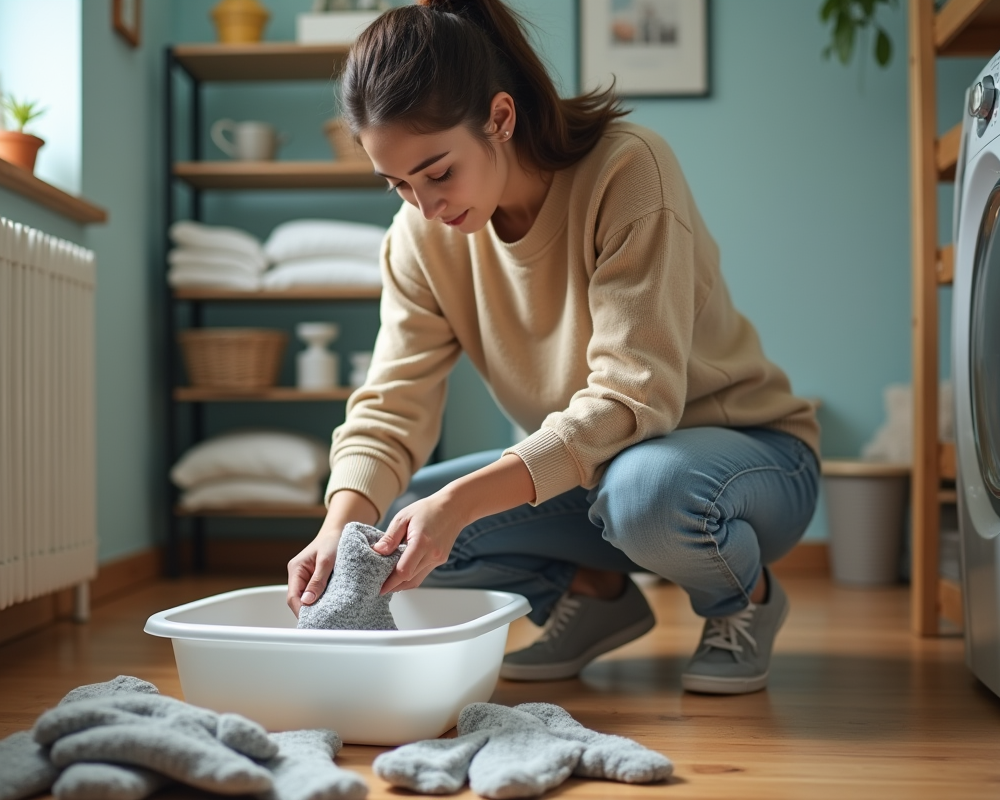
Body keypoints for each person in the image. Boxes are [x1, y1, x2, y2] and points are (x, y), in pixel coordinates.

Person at [286, 0, 820, 695]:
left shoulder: (628, 169)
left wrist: (462, 502)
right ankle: (595, 595)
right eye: (399, 185)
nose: (426, 206)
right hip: (604, 477)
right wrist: (339, 525)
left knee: (645, 489)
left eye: (439, 172)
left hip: (744, 464)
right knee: (393, 526)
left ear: (500, 118)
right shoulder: (418, 237)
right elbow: (393, 404)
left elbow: (635, 398)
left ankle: (742, 602)